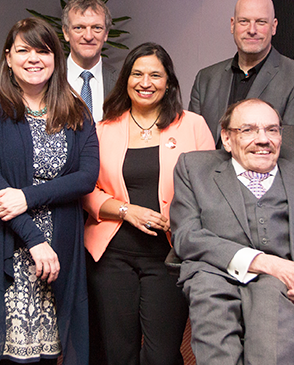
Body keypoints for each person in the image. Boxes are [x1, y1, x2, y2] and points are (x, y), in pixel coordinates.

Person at [0, 17, 99, 365]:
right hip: (3, 242)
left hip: (59, 248)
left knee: (49, 350)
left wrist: (27, 197)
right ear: (8, 57)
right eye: (23, 49)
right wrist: (34, 240)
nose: (34, 58)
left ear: (56, 58)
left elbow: (86, 177)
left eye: (43, 50)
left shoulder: (76, 112)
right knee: (4, 354)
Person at [170, 98, 294, 364]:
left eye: (272, 129)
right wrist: (265, 262)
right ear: (226, 138)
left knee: (272, 315)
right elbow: (186, 235)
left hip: (287, 279)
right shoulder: (194, 168)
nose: (263, 139)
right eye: (248, 130)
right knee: (213, 321)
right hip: (216, 272)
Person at [82, 42, 213, 365]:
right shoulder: (103, 129)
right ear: (125, 79)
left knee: (162, 355)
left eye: (155, 75)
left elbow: (213, 187)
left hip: (169, 257)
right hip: (112, 254)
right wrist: (126, 211)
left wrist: (182, 218)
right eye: (137, 73)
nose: (145, 82)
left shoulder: (192, 125)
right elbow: (87, 190)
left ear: (168, 82)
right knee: (118, 352)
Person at [189, 0, 294, 146]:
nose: (252, 30)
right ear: (232, 24)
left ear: (274, 26)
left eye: (261, 22)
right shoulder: (206, 78)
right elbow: (192, 143)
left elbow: (290, 148)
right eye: (244, 21)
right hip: (208, 169)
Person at [62, 0, 119, 121]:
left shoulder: (121, 82)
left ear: (106, 34)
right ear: (66, 32)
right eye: (79, 28)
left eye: (97, 28)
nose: (88, 36)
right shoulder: (49, 78)